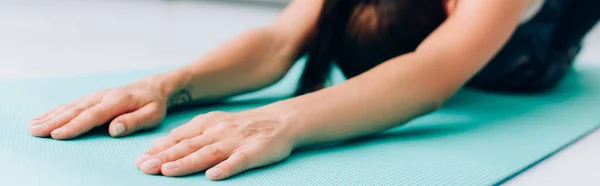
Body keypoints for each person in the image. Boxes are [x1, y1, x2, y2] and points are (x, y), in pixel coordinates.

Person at [27, 0, 599, 180]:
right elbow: (279, 41)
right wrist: (170, 85)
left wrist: (286, 121)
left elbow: (433, 72)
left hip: (530, 55)